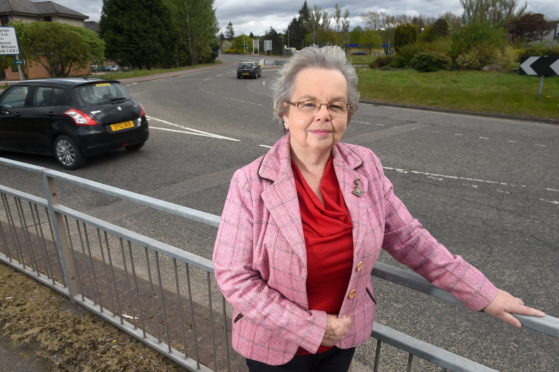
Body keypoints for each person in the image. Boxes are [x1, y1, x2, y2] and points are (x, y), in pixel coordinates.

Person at [212, 46, 545, 372]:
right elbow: (235, 277)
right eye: (308, 103)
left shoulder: (365, 166)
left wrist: (482, 293)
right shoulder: (250, 182)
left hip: (343, 339)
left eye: (336, 106)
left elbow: (410, 239)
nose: (323, 115)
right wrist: (309, 327)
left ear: (348, 114)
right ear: (285, 112)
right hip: (275, 347)